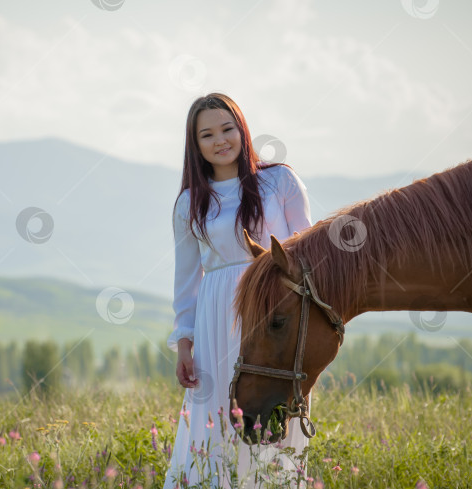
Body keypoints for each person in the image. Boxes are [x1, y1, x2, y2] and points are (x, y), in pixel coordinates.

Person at [164, 93, 313, 488]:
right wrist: (184, 343)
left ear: (242, 129)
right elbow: (186, 279)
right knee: (216, 412)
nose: (220, 140)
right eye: (207, 134)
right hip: (217, 315)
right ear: (195, 145)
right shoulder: (189, 203)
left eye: (227, 128)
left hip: (272, 310)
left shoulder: (279, 180)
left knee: (272, 408)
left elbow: (308, 254)